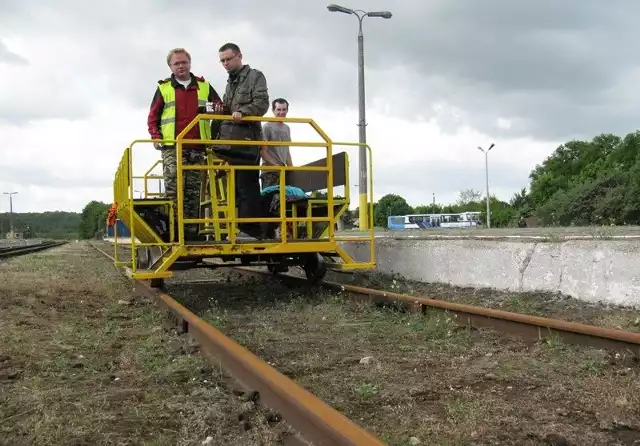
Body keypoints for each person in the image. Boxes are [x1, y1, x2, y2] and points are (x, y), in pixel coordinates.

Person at [147, 47, 223, 240]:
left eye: (184, 62)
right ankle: (173, 235)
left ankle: (190, 235)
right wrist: (156, 137)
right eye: (176, 63)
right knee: (173, 191)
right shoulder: (164, 88)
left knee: (193, 193)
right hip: (173, 148)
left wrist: (214, 137)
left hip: (197, 148)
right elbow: (153, 117)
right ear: (170, 67)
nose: (181, 66)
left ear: (189, 63)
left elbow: (220, 109)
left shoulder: (204, 86)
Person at [213, 42, 270, 239]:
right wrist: (222, 110)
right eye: (222, 61)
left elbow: (262, 103)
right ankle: (240, 229)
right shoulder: (230, 83)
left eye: (228, 59)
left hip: (248, 141)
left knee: (248, 185)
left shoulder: (255, 76)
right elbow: (229, 109)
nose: (225, 63)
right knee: (236, 187)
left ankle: (251, 230)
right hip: (232, 142)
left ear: (239, 56)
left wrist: (243, 112)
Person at [260, 98, 293, 189]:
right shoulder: (267, 126)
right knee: (270, 201)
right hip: (270, 172)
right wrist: (276, 165)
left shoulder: (287, 128)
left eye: (284, 109)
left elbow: (287, 151)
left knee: (284, 201)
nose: (281, 112)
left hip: (282, 171)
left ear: (287, 110)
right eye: (278, 109)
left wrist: (292, 168)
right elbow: (263, 152)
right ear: (273, 110)